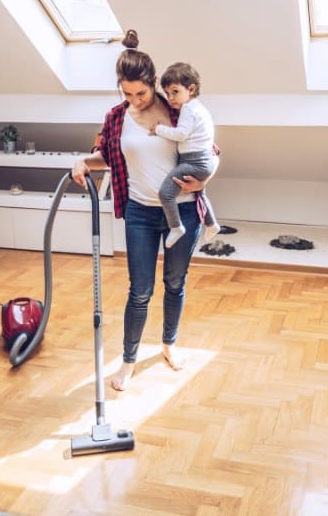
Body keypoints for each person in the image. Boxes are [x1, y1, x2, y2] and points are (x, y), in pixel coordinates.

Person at [71, 29, 217, 391]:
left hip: (181, 212)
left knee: (174, 283)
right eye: (127, 93)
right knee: (139, 291)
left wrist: (204, 181)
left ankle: (169, 345)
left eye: (141, 93)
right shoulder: (116, 118)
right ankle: (129, 361)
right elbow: (107, 156)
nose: (135, 100)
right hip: (139, 213)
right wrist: (82, 161)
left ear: (155, 84)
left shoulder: (176, 108)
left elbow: (210, 152)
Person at [152, 62, 221, 248]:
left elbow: (180, 134)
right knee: (200, 193)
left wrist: (158, 129)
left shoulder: (188, 109)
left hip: (193, 161)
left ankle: (176, 227)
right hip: (204, 160)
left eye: (175, 92)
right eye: (167, 93)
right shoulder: (201, 109)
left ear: (191, 89)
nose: (170, 98)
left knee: (165, 194)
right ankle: (211, 224)